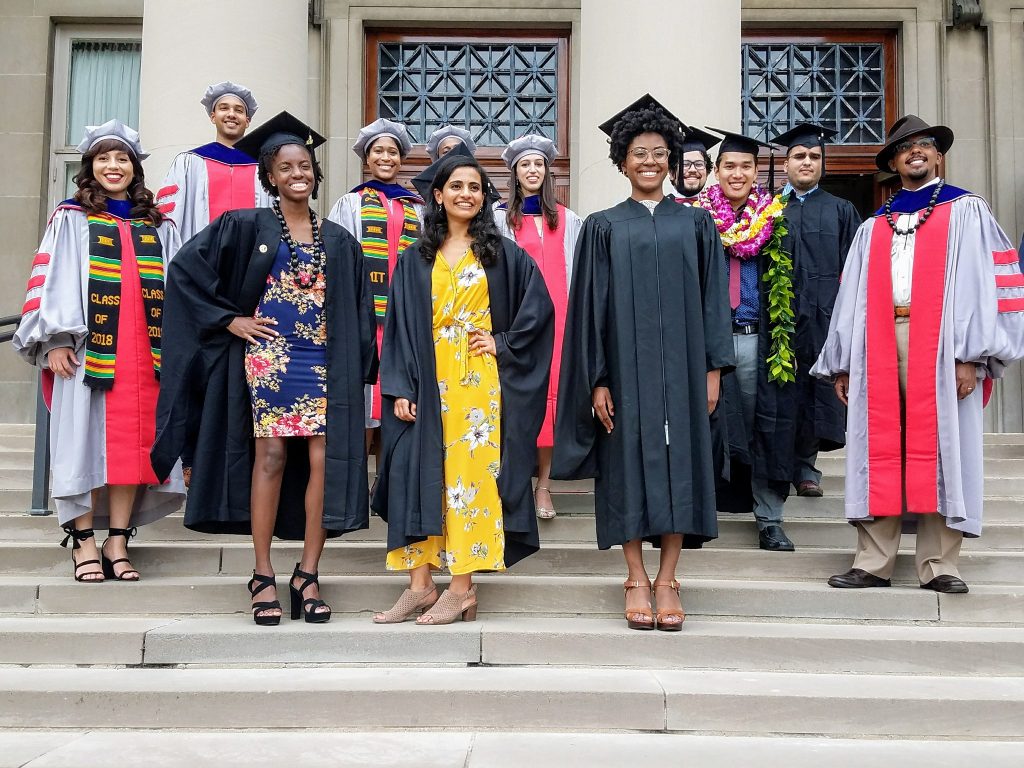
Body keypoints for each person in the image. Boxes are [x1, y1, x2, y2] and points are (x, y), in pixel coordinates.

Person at [152, 112, 377, 624]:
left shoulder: (341, 239)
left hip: (322, 358)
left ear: (315, 174)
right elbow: (184, 270)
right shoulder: (244, 225)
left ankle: (308, 572)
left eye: (305, 165)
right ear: (269, 175)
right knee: (271, 454)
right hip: (268, 359)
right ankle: (261, 574)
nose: (297, 173)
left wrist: (359, 365)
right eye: (285, 166)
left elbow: (360, 307)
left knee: (325, 459)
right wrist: (228, 319)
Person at [812, 114, 1024, 593]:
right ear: (892, 162)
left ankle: (940, 565)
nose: (916, 151)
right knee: (880, 446)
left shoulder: (967, 211)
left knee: (945, 449)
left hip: (947, 346)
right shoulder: (874, 226)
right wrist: (844, 361)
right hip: (879, 344)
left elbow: (984, 286)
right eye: (905, 146)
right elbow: (852, 298)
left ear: (938, 155)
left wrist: (970, 355)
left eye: (925, 144)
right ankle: (873, 561)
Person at [552, 94, 734, 631]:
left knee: (681, 467)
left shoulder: (697, 226)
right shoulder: (604, 227)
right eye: (638, 153)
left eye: (658, 152)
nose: (649, 161)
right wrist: (597, 380)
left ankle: (669, 578)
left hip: (682, 373)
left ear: (672, 159)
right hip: (626, 375)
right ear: (622, 161)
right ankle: (634, 576)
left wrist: (712, 370)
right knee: (626, 468)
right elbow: (589, 311)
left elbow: (711, 301)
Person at [371, 154, 554, 626]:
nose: (466, 194)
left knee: (469, 480)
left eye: (475, 187)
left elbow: (540, 310)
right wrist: (398, 386)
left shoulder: (501, 254)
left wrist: (502, 342)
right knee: (415, 473)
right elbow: (397, 328)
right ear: (438, 194)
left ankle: (462, 587)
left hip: (478, 384)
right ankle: (419, 586)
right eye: (457, 186)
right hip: (425, 379)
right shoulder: (415, 259)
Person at [14, 120, 185, 582]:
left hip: (147, 355)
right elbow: (54, 281)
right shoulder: (72, 218)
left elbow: (176, 288)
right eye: (104, 158)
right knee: (82, 445)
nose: (114, 166)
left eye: (122, 158)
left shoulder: (156, 225)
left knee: (133, 448)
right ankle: (84, 542)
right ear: (90, 166)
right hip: (89, 355)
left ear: (135, 169)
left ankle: (118, 540)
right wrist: (55, 340)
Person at [696, 127, 797, 552]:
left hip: (761, 341)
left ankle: (769, 519)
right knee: (702, 428)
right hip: (706, 344)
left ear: (757, 172)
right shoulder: (697, 220)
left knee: (765, 428)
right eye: (729, 166)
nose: (737, 173)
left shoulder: (777, 219)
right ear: (716, 171)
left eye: (745, 166)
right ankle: (694, 516)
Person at [769, 123, 862, 498]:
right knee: (780, 393)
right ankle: (778, 467)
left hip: (825, 319)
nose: (807, 162)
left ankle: (806, 467)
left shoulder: (841, 210)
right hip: (778, 320)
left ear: (823, 164)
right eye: (799, 156)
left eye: (814, 156)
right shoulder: (769, 209)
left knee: (815, 392)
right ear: (786, 163)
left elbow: (857, 272)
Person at [494, 133, 582, 519]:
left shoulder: (568, 219)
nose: (532, 170)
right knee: (510, 403)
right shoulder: (498, 219)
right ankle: (507, 483)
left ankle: (543, 485)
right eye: (525, 164)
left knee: (549, 402)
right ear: (514, 172)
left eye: (538, 164)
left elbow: (580, 274)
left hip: (559, 323)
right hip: (513, 322)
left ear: (547, 172)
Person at [327, 118, 424, 456]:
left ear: (401, 159)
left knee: (400, 403)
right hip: (365, 318)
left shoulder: (416, 207)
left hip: (406, 320)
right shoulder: (350, 203)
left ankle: (390, 486)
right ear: (366, 159)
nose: (386, 157)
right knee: (363, 403)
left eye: (393, 152)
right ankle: (359, 485)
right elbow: (336, 261)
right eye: (379, 151)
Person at [156, 82, 269, 244]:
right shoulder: (189, 163)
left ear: (247, 120)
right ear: (213, 116)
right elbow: (170, 217)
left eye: (239, 110)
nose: (231, 114)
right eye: (224, 108)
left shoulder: (262, 168)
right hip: (201, 261)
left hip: (253, 260)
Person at [670, 126, 720, 204]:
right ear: (671, 173)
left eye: (699, 164)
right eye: (685, 164)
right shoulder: (656, 210)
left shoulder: (719, 209)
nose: (692, 170)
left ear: (707, 172)